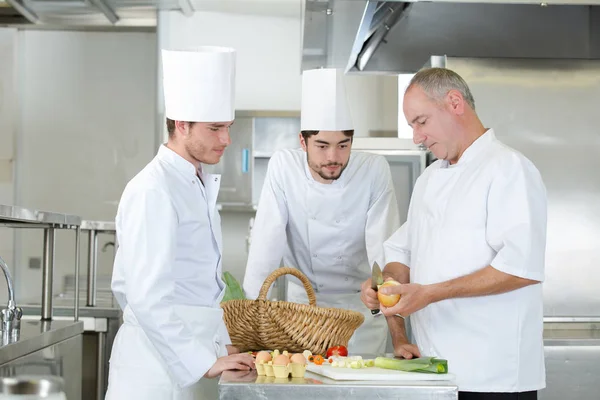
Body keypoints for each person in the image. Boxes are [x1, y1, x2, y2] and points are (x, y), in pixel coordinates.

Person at [361, 67, 547, 400]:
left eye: (421, 121)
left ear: (455, 102)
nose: (417, 137)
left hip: (494, 378)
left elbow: (520, 268)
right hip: (435, 371)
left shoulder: (508, 168)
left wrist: (430, 293)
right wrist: (386, 285)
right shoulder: (430, 179)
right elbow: (402, 253)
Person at [105, 46, 254, 400]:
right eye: (216, 128)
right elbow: (145, 296)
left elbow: (201, 287)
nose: (227, 140)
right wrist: (203, 361)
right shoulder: (153, 189)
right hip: (154, 373)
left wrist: (221, 347)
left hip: (193, 358)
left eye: (228, 128)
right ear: (182, 125)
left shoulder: (196, 182)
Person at [243, 68, 401, 355]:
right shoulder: (284, 167)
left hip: (360, 313)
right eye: (322, 145)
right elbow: (265, 248)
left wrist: (398, 331)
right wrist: (248, 336)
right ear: (302, 142)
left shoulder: (373, 170)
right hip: (302, 314)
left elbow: (386, 252)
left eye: (343, 145)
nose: (333, 157)